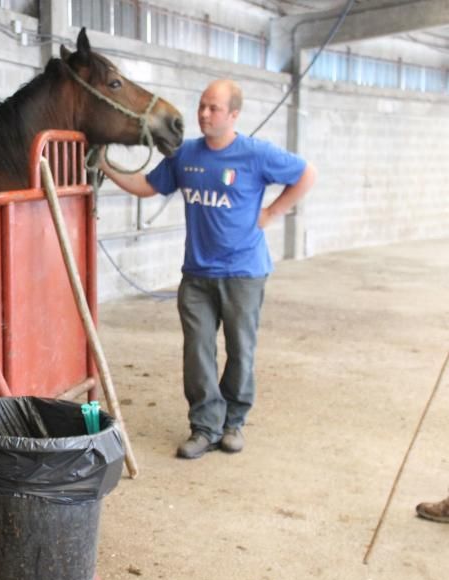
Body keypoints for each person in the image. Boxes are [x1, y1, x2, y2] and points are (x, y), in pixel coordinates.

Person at [100, 79, 317, 460]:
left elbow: (306, 174)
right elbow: (145, 186)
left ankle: (233, 422)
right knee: (197, 353)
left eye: (213, 108)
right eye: (202, 106)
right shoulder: (186, 155)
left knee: (240, 351)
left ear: (233, 114)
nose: (203, 114)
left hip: (243, 273)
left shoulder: (255, 154)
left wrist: (272, 212)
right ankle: (204, 427)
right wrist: (102, 162)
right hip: (197, 275)